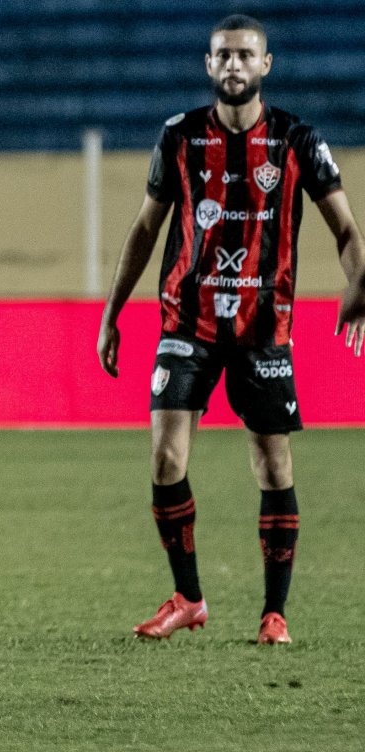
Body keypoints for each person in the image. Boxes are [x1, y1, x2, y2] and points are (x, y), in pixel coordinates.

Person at [97, 15, 365, 645]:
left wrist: (360, 288)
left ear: (265, 65)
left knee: (273, 467)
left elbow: (347, 230)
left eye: (246, 55)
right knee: (165, 457)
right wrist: (112, 311)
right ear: (209, 64)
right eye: (224, 56)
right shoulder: (180, 137)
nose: (235, 66)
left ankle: (275, 613)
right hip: (185, 319)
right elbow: (144, 230)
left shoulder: (298, 139)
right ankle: (188, 597)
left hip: (263, 326)